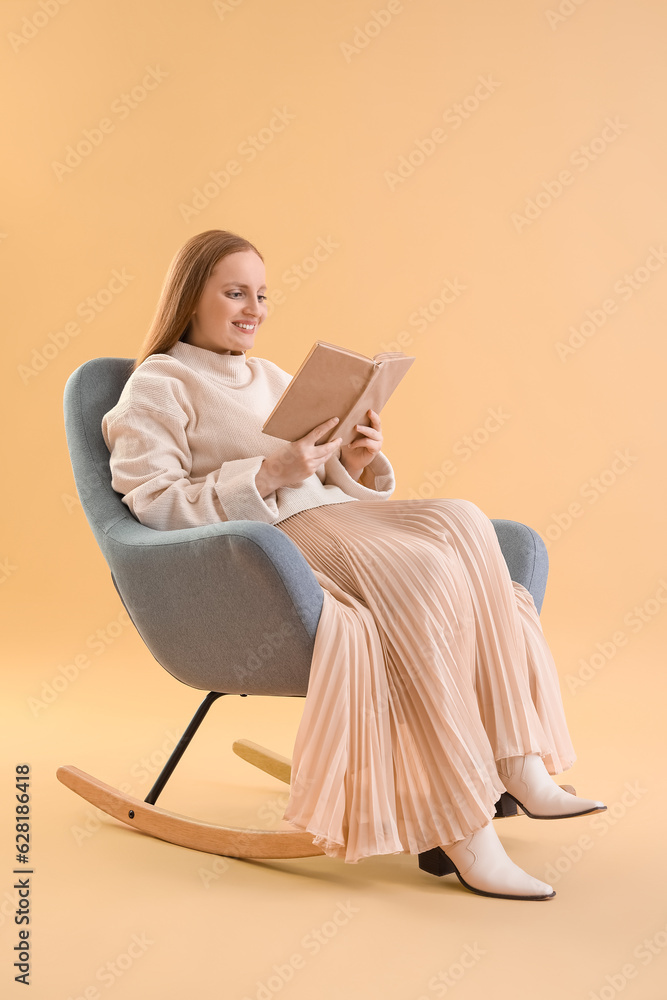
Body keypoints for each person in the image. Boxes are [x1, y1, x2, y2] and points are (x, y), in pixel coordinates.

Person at [101, 229, 606, 901]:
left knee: (461, 516)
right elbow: (152, 506)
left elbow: (320, 478)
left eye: (261, 294)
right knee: (428, 571)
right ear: (191, 296)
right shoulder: (157, 385)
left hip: (334, 517)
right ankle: (462, 830)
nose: (253, 308)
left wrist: (352, 462)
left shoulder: (271, 376)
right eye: (234, 292)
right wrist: (267, 473)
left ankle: (516, 762)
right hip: (275, 547)